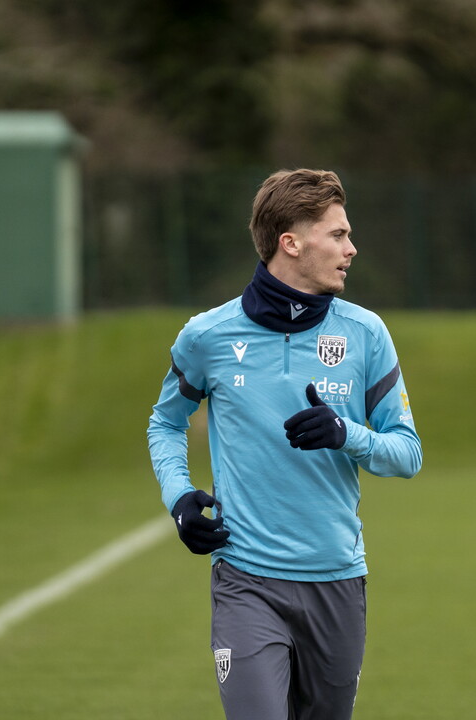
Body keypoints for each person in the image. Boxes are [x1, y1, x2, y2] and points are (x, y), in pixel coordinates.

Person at [147, 168, 423, 720]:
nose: (352, 248)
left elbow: (407, 453)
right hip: (246, 580)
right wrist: (179, 499)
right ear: (290, 243)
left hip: (336, 582)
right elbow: (165, 423)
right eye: (338, 234)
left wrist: (348, 435)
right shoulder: (207, 336)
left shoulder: (366, 333)